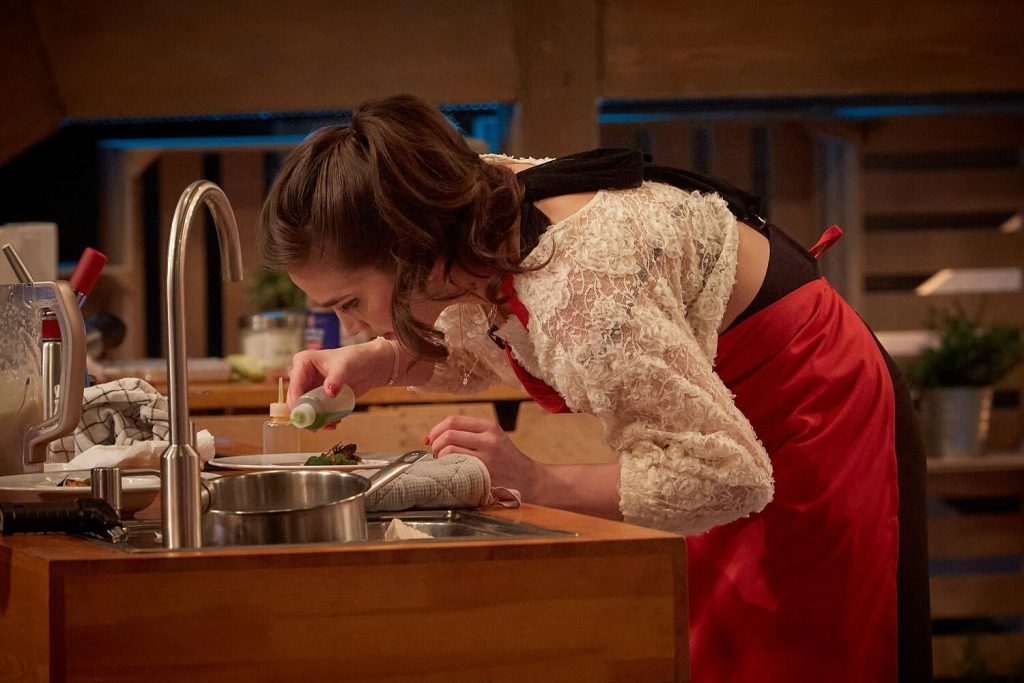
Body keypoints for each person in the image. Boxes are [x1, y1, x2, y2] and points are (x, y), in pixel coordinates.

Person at [257, 94, 930, 682]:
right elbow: (488, 325)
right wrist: (380, 358)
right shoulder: (467, 210)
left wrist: (535, 479)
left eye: (349, 303)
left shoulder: (583, 287)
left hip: (810, 402)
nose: (347, 325)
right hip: (716, 406)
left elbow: (727, 476)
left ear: (410, 253)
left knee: (798, 656)